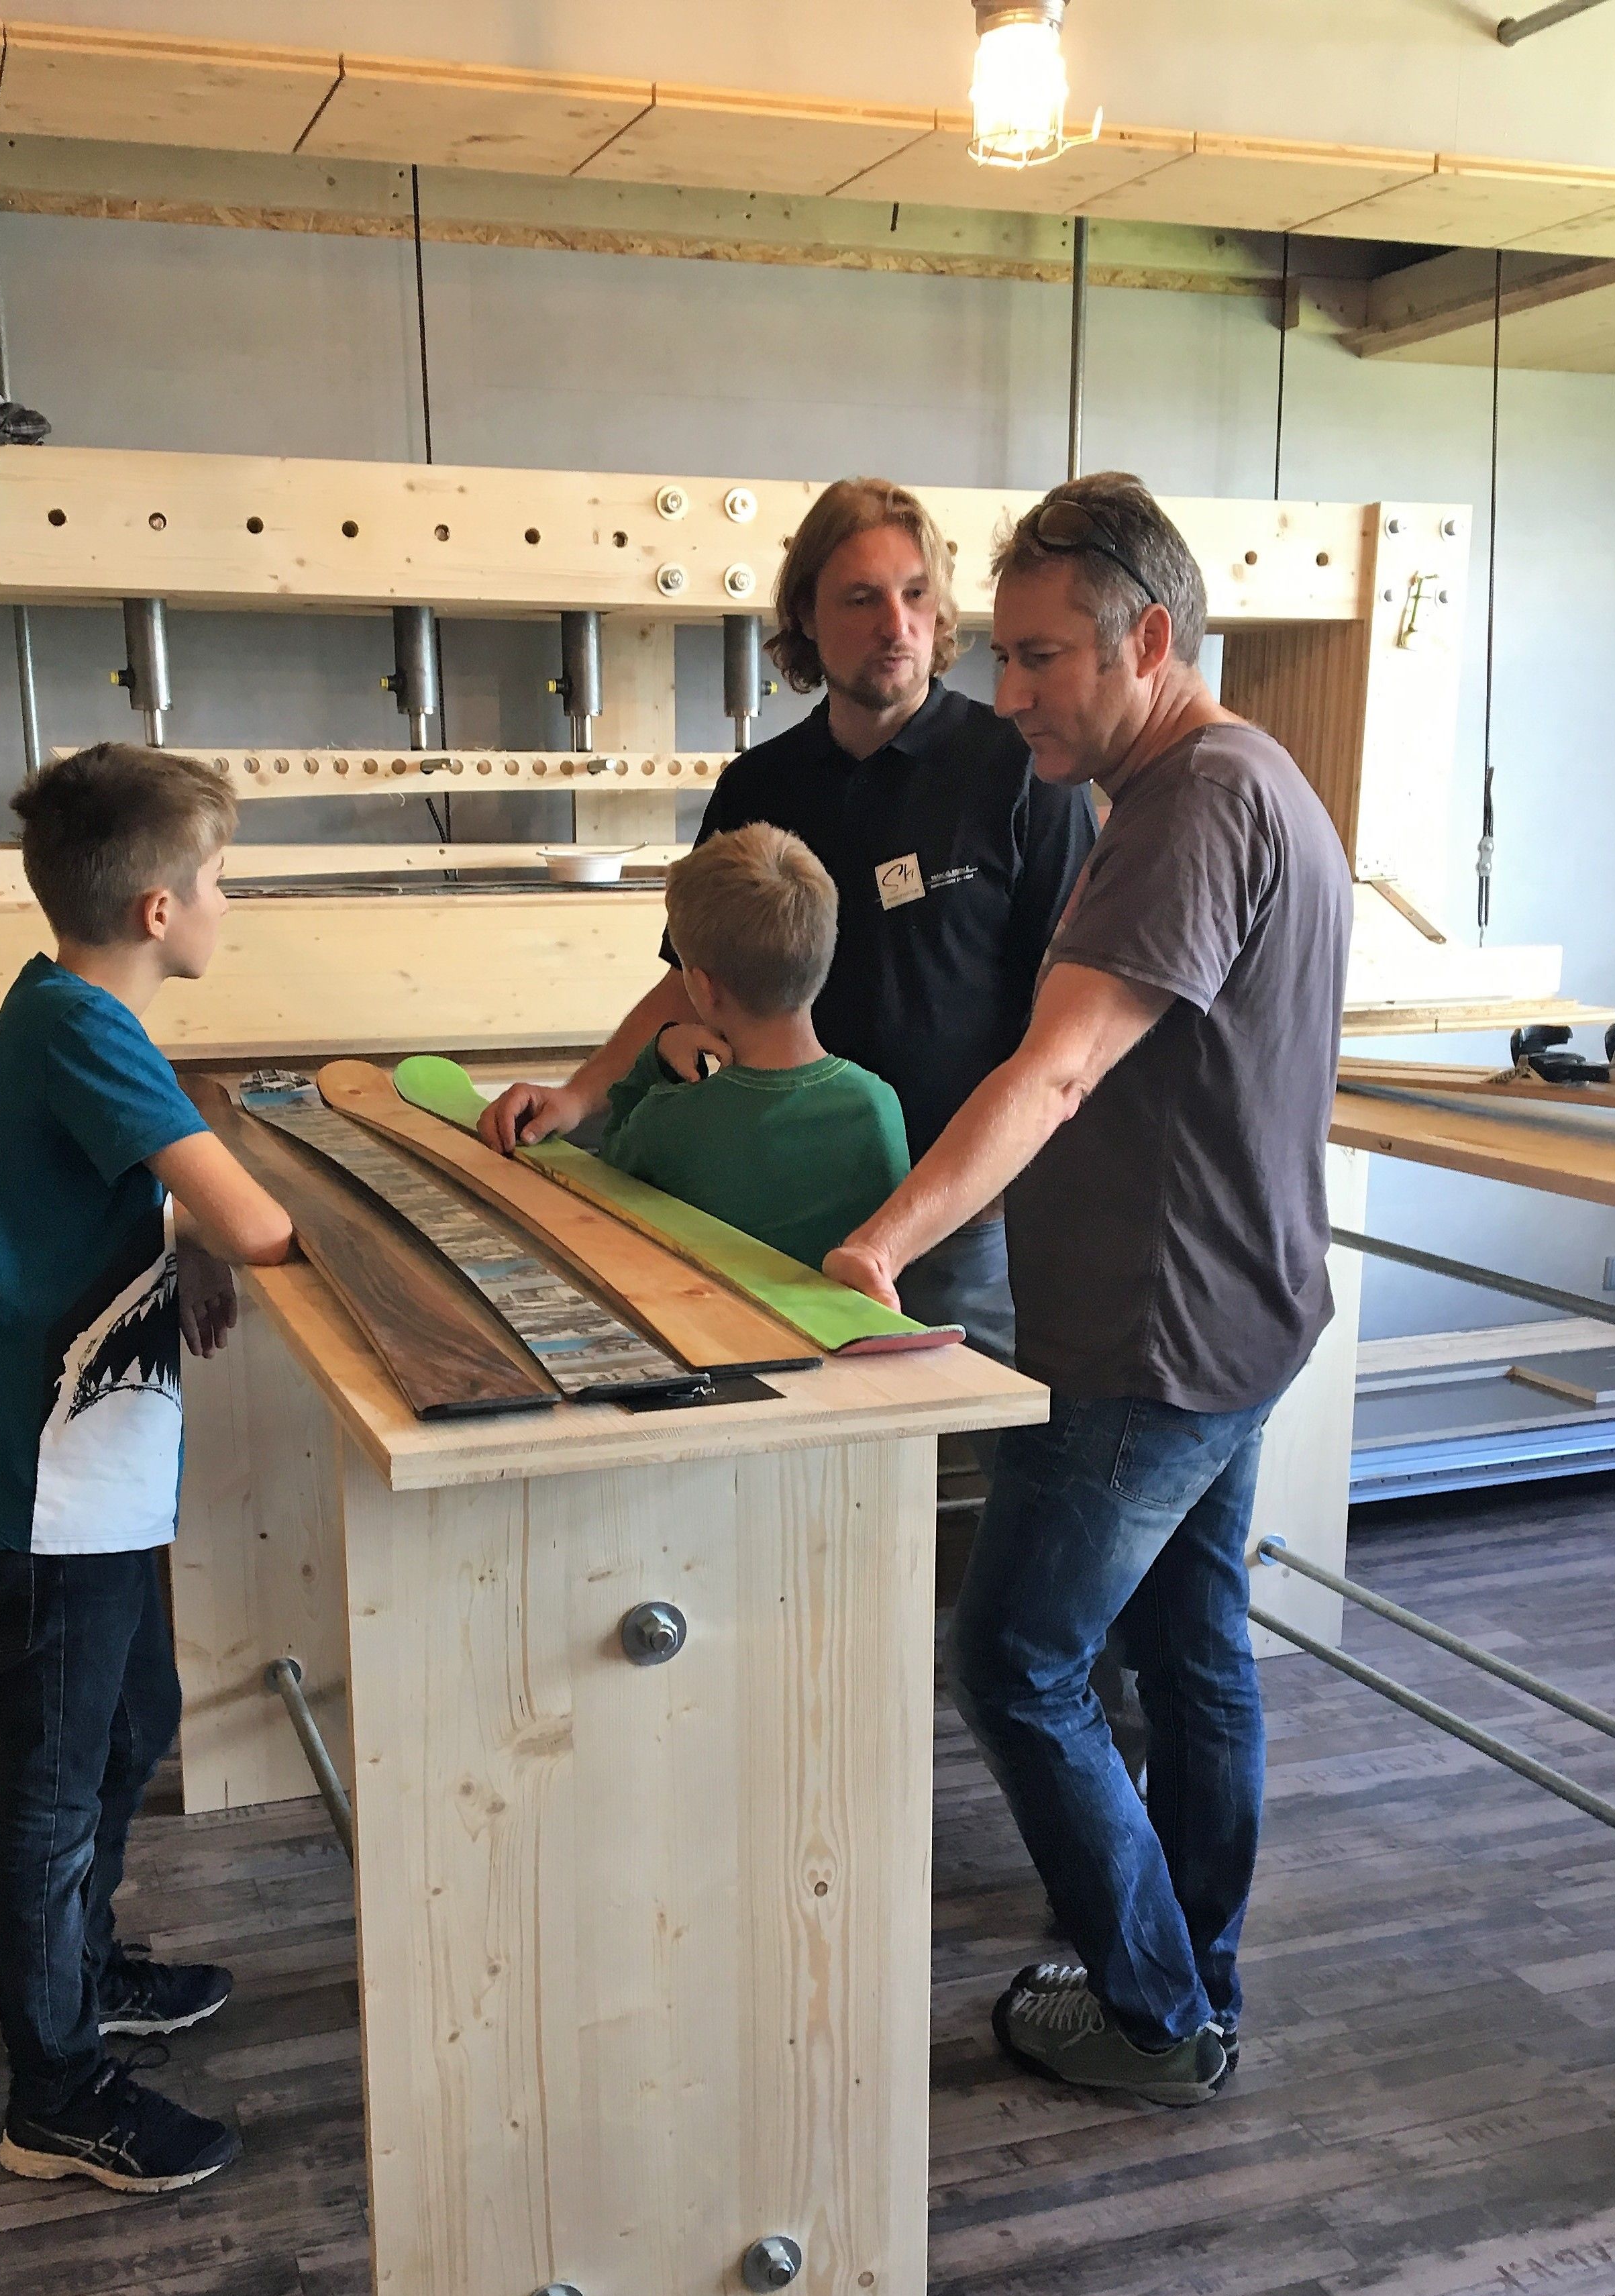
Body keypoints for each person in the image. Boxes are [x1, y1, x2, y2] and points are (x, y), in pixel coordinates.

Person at [824, 472, 1352, 2107]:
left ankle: (1151, 2011)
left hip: (1145, 1337)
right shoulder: (1251, 779)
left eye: (1044, 656)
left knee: (1014, 1663)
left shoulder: (1189, 805)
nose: (1010, 692)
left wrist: (881, 1246)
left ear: (1149, 639)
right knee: (1190, 1658)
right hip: (1237, 1315)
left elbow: (1054, 1073)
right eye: (1004, 654)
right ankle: (1189, 1978)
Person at [0, 743, 295, 2193]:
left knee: (131, 1718)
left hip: (87, 1469)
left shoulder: (70, 1009)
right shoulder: (83, 1025)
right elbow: (258, 1223)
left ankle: (84, 1967)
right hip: (46, 1483)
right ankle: (56, 2090)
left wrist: (182, 1238)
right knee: (53, 1787)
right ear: (156, 908)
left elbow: (149, 1197)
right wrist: (256, 1225)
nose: (226, 903)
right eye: (218, 880)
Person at [479, 475, 1095, 1367]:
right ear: (805, 613)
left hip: (958, 1224)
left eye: (915, 593)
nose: (896, 624)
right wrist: (578, 1098)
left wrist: (1006, 1189)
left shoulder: (1017, 771)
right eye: (862, 598)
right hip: (771, 1204)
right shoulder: (761, 786)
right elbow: (689, 978)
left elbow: (1069, 1022)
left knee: (977, 1428)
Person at [601, 821, 908, 1268]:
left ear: (704, 988)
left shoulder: (669, 1121)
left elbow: (605, 1183)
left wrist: (655, 1059)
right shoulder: (878, 1107)